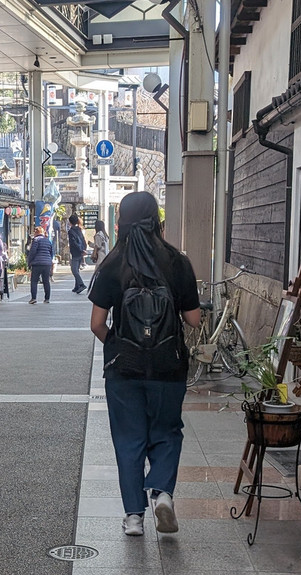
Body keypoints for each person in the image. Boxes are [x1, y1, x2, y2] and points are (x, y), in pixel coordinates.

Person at [87, 191, 202, 537]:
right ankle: (163, 494)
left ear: (121, 222)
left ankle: (134, 517)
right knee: (167, 432)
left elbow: (96, 324)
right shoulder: (177, 261)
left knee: (129, 439)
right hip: (169, 367)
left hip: (125, 371)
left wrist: (118, 346)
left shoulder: (112, 263)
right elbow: (194, 319)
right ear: (156, 221)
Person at [26, 225, 54, 304]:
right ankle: (47, 298)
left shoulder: (36, 240)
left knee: (34, 281)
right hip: (47, 264)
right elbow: (51, 252)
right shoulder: (47, 241)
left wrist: (29, 262)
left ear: (36, 233)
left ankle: (34, 298)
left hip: (37, 264)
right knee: (46, 281)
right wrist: (49, 261)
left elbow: (32, 252)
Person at [67, 214, 87, 294]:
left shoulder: (71, 231)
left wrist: (80, 249)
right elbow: (83, 240)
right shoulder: (79, 229)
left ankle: (81, 284)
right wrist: (83, 249)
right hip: (81, 251)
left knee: (74, 270)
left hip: (75, 252)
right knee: (77, 269)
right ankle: (77, 286)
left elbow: (73, 242)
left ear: (70, 222)